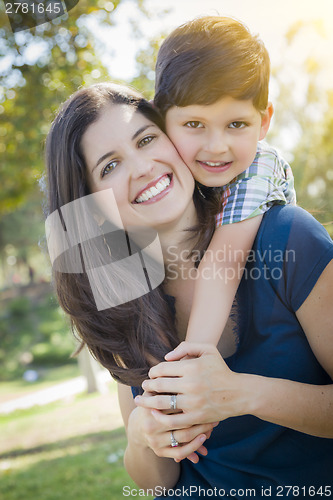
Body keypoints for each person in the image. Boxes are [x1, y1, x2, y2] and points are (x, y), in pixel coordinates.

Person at [45, 83, 333, 498]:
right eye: (110, 167)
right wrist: (142, 436)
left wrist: (243, 395)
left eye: (146, 140)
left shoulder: (285, 237)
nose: (143, 167)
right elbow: (156, 483)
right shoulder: (124, 300)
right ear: (92, 207)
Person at [154, 16, 296, 348]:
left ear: (263, 122)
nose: (216, 147)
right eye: (194, 123)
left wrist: (194, 356)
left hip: (273, 318)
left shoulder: (259, 167)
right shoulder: (171, 173)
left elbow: (225, 262)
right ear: (160, 119)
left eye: (236, 124)